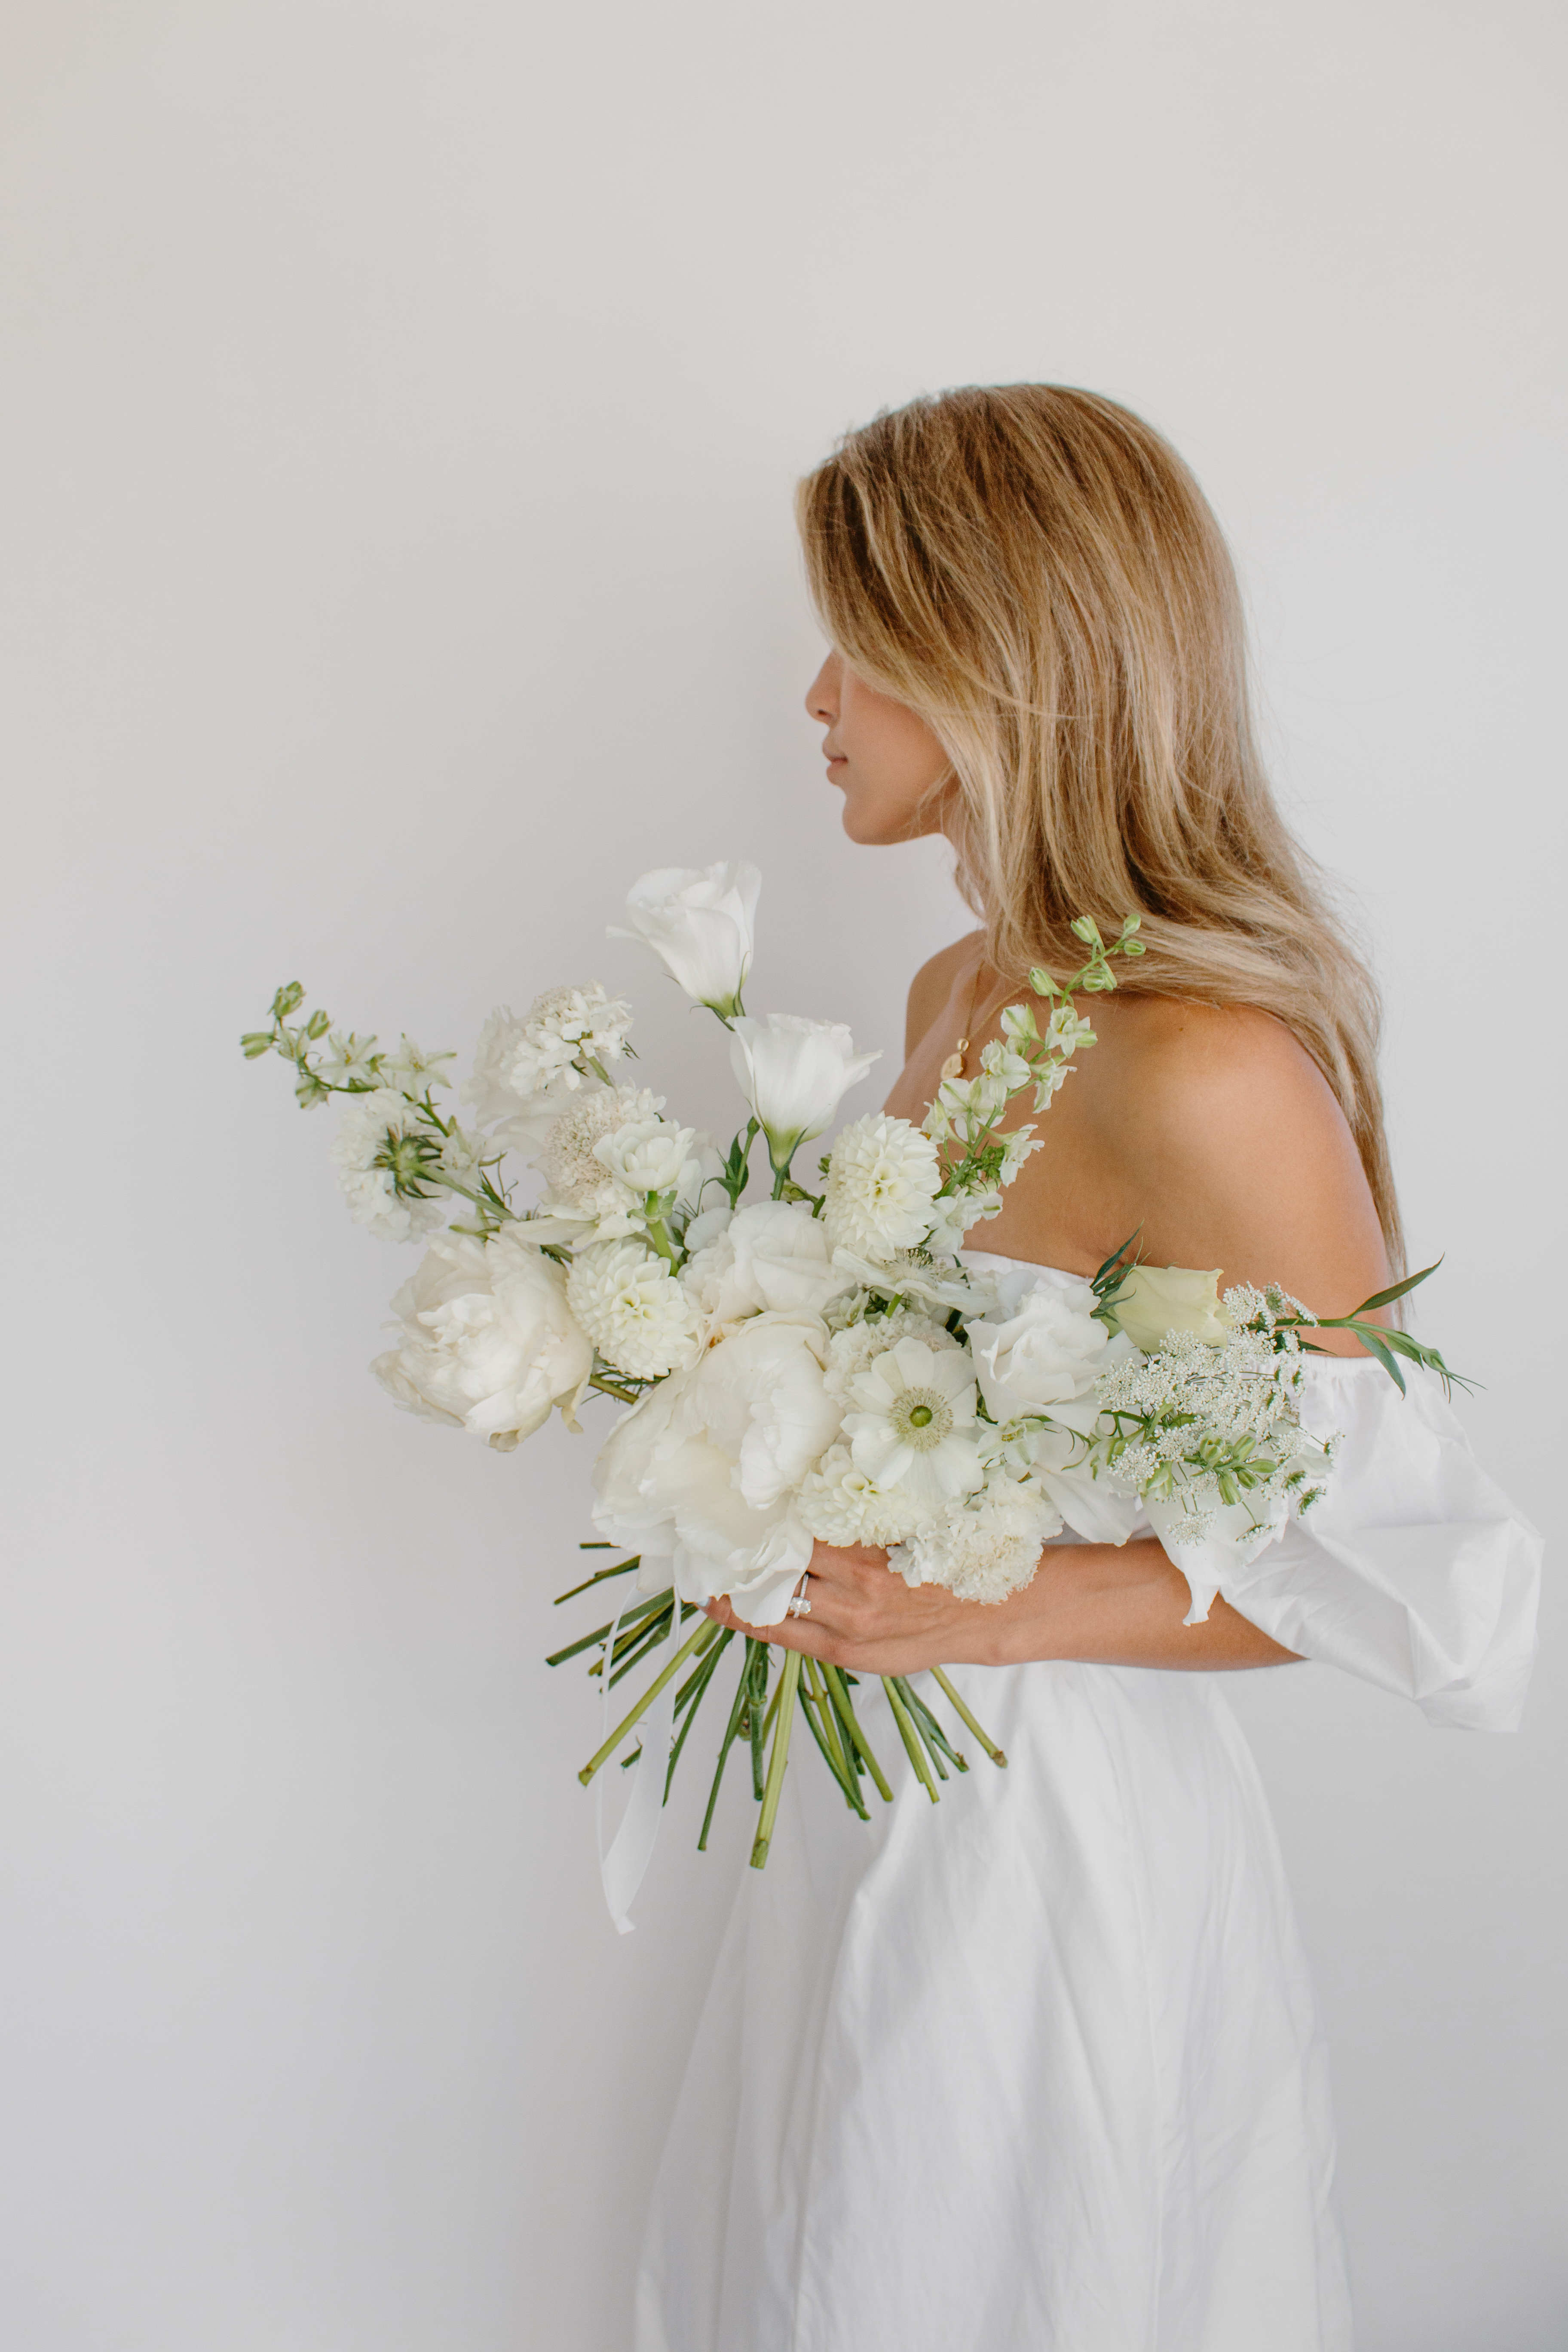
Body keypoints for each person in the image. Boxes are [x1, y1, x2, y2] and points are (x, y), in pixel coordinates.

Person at [633, 386, 1540, 2352]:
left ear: (1000, 670)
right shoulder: (953, 992)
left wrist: (996, 1610)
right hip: (861, 1804)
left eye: (862, 648)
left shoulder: (1209, 1071)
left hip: (1050, 1848)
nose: (815, 698)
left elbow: (1421, 1594)